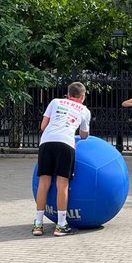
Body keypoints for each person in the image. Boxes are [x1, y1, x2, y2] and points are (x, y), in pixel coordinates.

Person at [34, 82, 91, 237]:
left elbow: (43, 126)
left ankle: (38, 224)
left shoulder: (55, 102)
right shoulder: (84, 110)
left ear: (68, 94)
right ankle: (60, 225)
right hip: (66, 143)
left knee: (44, 182)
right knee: (62, 184)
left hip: (46, 142)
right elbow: (84, 135)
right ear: (83, 97)